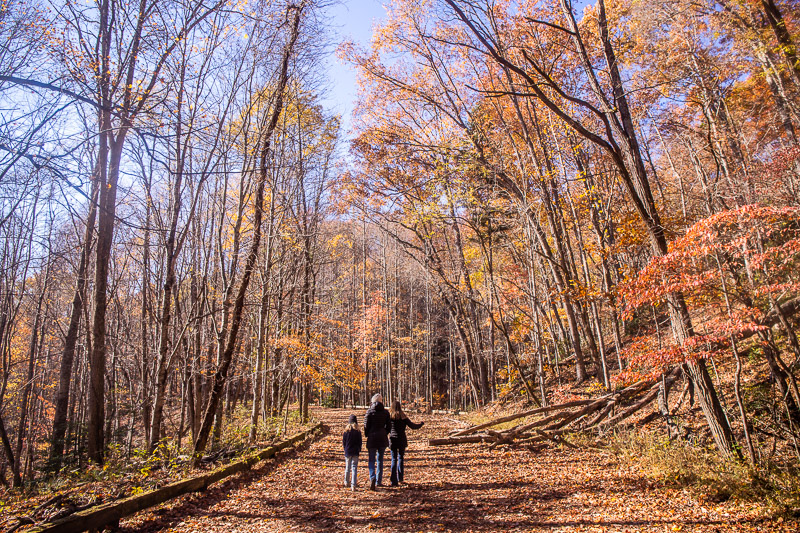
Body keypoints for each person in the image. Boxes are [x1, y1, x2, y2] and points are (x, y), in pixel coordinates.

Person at [388, 400, 424, 486]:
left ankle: (393, 480)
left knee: (394, 459)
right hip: (401, 440)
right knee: (400, 458)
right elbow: (413, 426)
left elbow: (385, 427)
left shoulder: (389, 417)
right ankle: (400, 478)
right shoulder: (403, 417)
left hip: (393, 440)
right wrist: (421, 424)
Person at [363, 393, 391, 490]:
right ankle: (379, 481)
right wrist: (385, 433)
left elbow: (366, 425)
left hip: (372, 437)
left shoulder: (369, 412)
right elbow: (389, 426)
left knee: (371, 459)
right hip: (382, 438)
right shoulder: (386, 412)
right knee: (380, 460)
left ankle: (372, 477)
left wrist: (367, 434)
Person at [342, 414, 362, 491]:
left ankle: (346, 482)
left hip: (348, 451)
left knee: (347, 467)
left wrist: (345, 449)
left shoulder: (346, 431)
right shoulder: (358, 431)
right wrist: (359, 449)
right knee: (354, 468)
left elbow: (344, 442)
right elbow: (360, 442)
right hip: (355, 451)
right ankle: (353, 484)